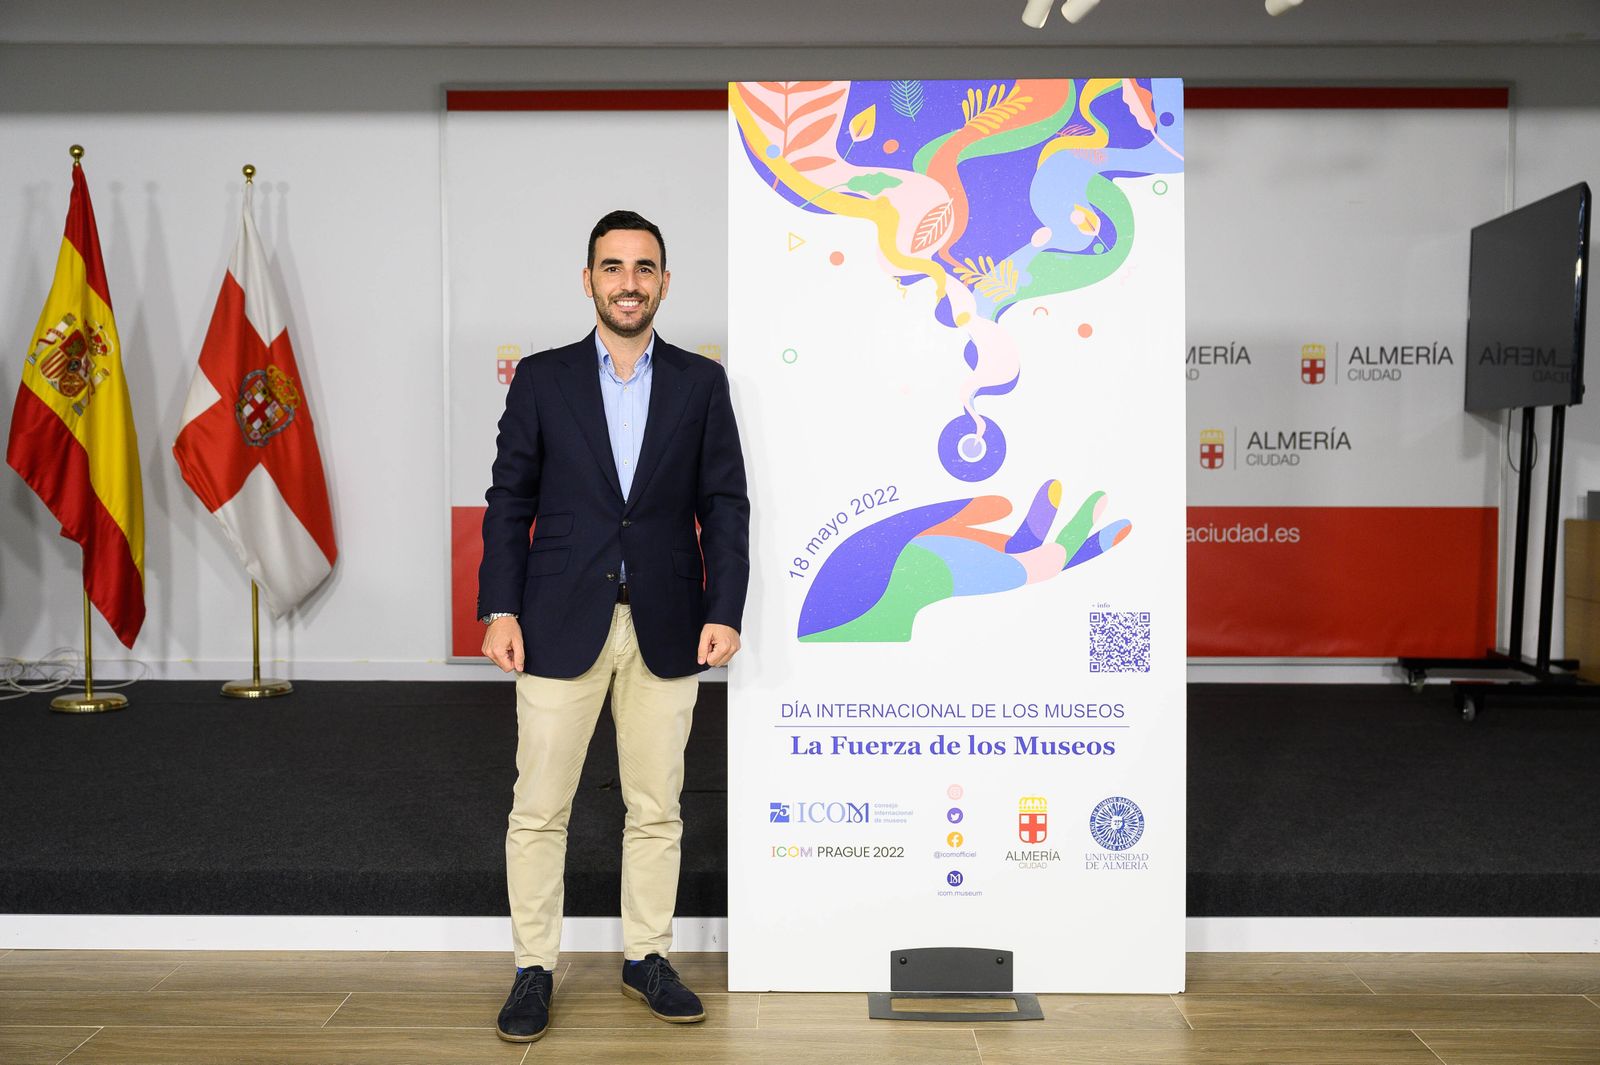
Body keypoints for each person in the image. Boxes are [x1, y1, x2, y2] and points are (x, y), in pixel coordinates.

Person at [477, 210, 749, 1043]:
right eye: (612, 267)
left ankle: (647, 956)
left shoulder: (702, 384)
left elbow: (725, 504)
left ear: (665, 281)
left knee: (656, 805)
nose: (628, 282)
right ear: (588, 279)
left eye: (644, 267)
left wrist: (724, 608)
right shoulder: (542, 378)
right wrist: (501, 606)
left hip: (668, 622)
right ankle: (533, 968)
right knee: (539, 808)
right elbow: (509, 500)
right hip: (559, 620)